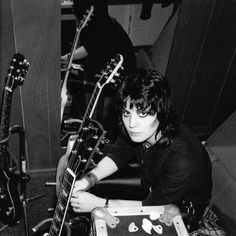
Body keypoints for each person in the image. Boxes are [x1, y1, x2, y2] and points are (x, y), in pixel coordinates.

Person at [70, 69, 213, 233]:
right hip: (152, 183)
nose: (132, 124)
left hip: (179, 210)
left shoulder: (184, 160)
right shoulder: (139, 130)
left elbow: (152, 206)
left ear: (162, 112)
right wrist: (88, 180)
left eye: (143, 113)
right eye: (127, 112)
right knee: (90, 185)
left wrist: (99, 204)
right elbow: (118, 155)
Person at [61, 0, 137, 121]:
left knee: (72, 78)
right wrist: (66, 57)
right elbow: (88, 47)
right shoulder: (103, 23)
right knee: (70, 74)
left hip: (119, 77)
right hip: (105, 66)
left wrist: (68, 63)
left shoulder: (104, 31)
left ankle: (85, 117)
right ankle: (79, 113)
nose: (73, 10)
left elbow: (91, 69)